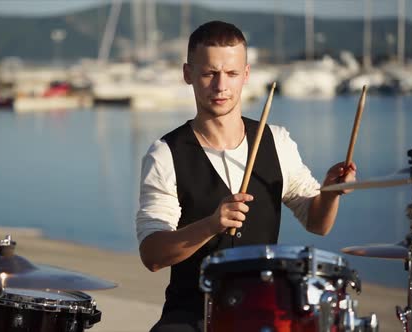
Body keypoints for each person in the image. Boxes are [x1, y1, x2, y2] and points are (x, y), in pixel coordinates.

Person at [135, 21, 357, 331]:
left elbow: (317, 224)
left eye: (232, 74)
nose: (221, 86)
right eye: (209, 73)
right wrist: (211, 224)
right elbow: (153, 254)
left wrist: (330, 193)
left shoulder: (277, 141)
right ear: (188, 74)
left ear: (247, 75)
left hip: (264, 310)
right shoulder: (165, 153)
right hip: (191, 315)